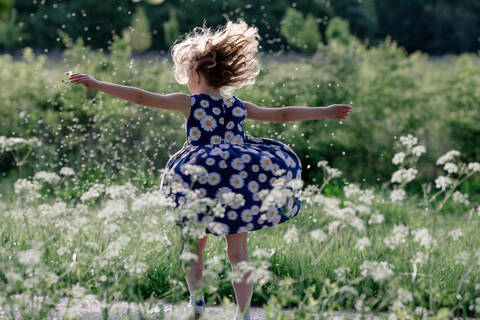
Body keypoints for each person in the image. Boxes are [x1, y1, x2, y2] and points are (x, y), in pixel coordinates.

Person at [69, 19, 351, 320]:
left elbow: (140, 96)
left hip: (201, 177)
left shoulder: (190, 102)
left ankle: (197, 300)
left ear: (195, 74)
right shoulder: (237, 105)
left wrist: (98, 85)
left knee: (194, 245)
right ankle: (243, 313)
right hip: (237, 176)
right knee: (238, 254)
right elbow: (281, 115)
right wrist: (326, 112)